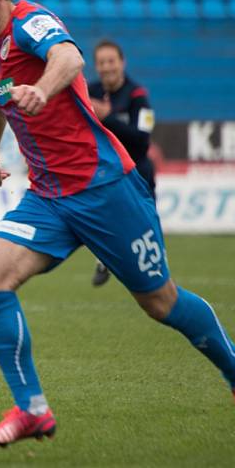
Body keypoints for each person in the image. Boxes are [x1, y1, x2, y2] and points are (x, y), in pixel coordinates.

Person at [0, 0, 235, 447]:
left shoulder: (31, 21)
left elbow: (69, 58)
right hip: (49, 197)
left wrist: (45, 90)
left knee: (161, 303)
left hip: (104, 187)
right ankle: (32, 409)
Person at [87, 39, 156, 287]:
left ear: (122, 63)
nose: (107, 67)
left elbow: (142, 141)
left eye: (111, 61)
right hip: (106, 172)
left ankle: (157, 274)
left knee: (146, 228)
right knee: (103, 219)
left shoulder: (137, 96)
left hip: (137, 173)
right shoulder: (88, 92)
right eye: (101, 62)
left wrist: (109, 118)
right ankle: (104, 258)